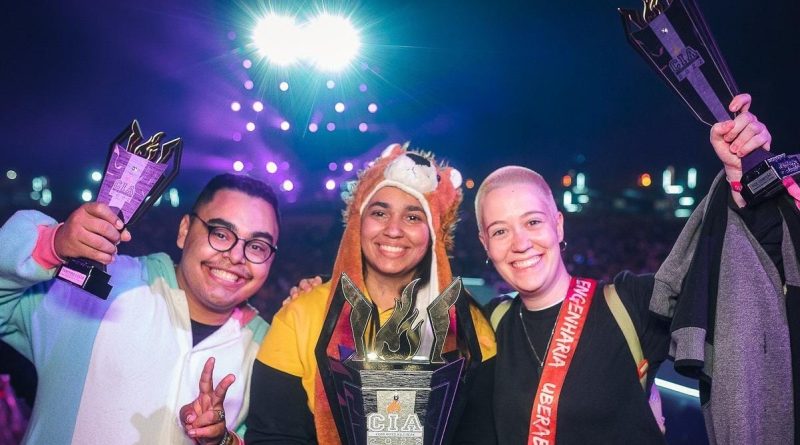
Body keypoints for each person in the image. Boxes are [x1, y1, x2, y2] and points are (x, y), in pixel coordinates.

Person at [475, 94, 783, 444]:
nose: (520, 243)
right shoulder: (486, 327)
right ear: (485, 243)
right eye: (500, 231)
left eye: (533, 221)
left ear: (558, 226)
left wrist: (745, 179)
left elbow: (733, 279)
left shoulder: (628, 303)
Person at [244, 144, 497, 444]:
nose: (393, 230)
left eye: (413, 217)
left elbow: (481, 435)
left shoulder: (469, 325)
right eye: (380, 212)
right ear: (357, 222)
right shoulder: (301, 315)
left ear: (433, 232)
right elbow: (273, 436)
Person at [0, 173, 278, 444]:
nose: (236, 256)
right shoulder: (106, 286)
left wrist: (224, 440)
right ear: (184, 231)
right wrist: (52, 244)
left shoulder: (271, 348)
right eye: (221, 234)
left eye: (257, 246)